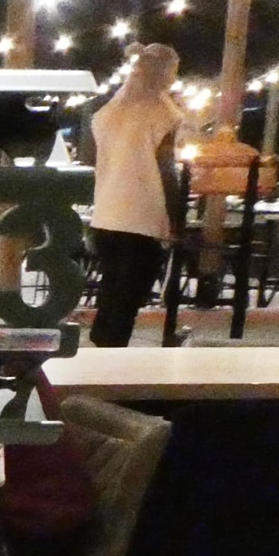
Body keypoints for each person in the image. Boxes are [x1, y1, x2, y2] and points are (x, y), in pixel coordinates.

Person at [85, 43, 186, 347]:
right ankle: (115, 358)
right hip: (142, 215)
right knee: (129, 297)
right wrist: (176, 217)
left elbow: (90, 157)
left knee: (110, 290)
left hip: (106, 213)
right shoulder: (164, 113)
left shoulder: (107, 112)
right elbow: (166, 170)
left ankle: (99, 351)